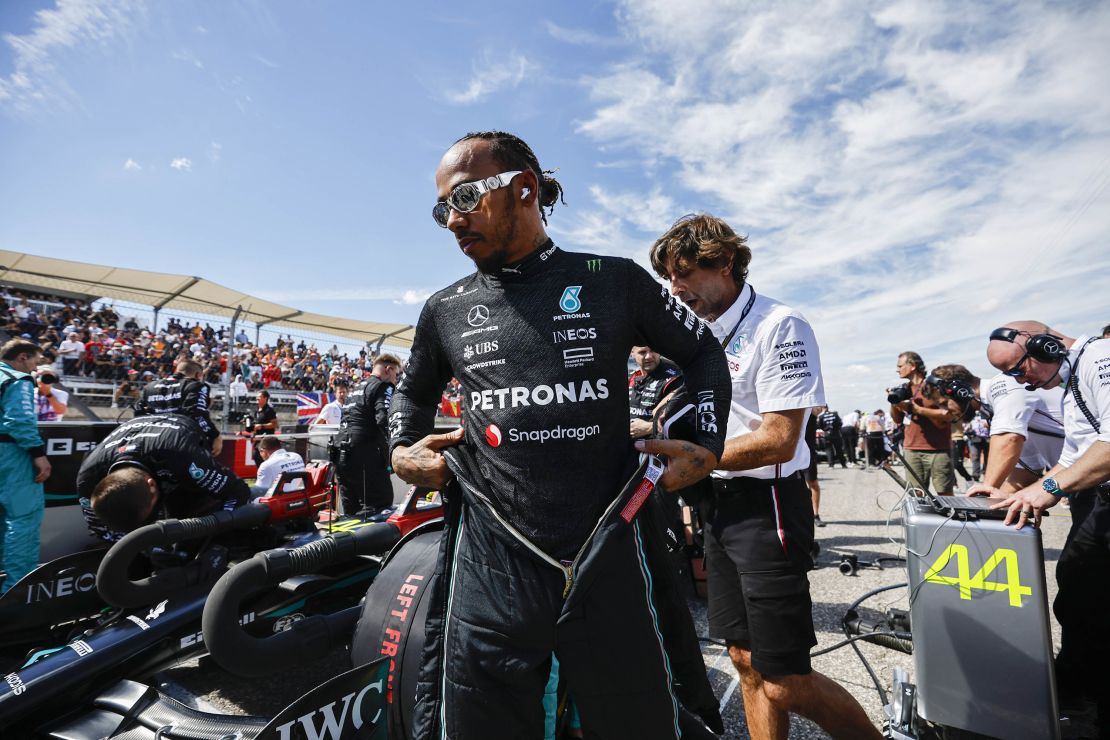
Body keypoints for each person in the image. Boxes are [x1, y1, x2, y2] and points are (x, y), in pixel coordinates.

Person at [389, 131, 729, 738]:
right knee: (481, 720)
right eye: (442, 208)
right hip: (494, 551)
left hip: (608, 543)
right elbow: (412, 394)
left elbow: (704, 352)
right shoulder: (444, 309)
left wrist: (706, 442)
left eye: (464, 197)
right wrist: (400, 452)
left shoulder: (612, 280)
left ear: (523, 189)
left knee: (636, 716)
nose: (451, 220)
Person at [645, 213, 880, 739]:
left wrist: (693, 455)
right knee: (743, 659)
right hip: (719, 505)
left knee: (786, 681)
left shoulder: (780, 325)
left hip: (769, 504)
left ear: (725, 262)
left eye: (683, 273)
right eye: (669, 277)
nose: (674, 288)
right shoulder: (698, 333)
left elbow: (779, 438)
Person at [969, 321, 1110, 728]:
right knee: (1077, 593)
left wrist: (1048, 488)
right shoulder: (1071, 381)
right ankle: (1076, 697)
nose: (1020, 382)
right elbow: (1073, 457)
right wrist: (1021, 493)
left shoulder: (1100, 358)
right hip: (1099, 503)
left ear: (1045, 345)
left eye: (1018, 369)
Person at [77, 414, 250, 541]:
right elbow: (98, 528)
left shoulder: (188, 462)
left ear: (152, 485)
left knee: (192, 509)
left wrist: (215, 527)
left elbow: (238, 491)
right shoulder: (87, 477)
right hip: (137, 434)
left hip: (176, 433)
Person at [0, 339, 52, 593]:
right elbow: (19, 420)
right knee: (23, 519)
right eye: (34, 360)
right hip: (11, 454)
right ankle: (17, 594)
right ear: (22, 357)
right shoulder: (16, 379)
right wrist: (37, 453)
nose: (35, 367)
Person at [334, 356, 400, 517]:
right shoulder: (384, 386)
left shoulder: (356, 388)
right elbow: (384, 419)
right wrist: (395, 449)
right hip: (364, 454)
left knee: (351, 512)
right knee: (380, 504)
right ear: (388, 369)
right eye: (396, 375)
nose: (396, 380)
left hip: (340, 452)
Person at [982, 373, 1064, 492]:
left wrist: (987, 489)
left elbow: (1010, 438)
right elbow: (1029, 467)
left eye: (945, 403)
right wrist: (995, 500)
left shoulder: (1004, 384)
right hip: (1074, 476)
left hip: (1087, 477)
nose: (944, 412)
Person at [890, 352, 958, 494]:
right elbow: (897, 420)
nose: (897, 369)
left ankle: (949, 517)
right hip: (911, 448)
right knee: (916, 494)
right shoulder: (904, 389)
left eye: (900, 366)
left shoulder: (933, 386)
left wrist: (916, 409)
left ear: (913, 366)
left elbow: (950, 415)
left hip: (938, 449)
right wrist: (894, 402)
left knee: (945, 493)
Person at [136, 358, 222, 455]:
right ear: (198, 375)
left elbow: (138, 411)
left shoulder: (150, 386)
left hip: (148, 438)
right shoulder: (197, 385)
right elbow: (196, 413)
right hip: (179, 439)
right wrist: (215, 435)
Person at [628, 345, 684, 439]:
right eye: (642, 352)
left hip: (660, 447)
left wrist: (649, 427)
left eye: (654, 350)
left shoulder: (675, 378)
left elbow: (687, 420)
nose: (649, 356)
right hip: (630, 448)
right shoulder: (630, 377)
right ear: (632, 353)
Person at [804, 409, 826, 527]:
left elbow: (819, 407)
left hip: (808, 453)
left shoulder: (810, 409)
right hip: (790, 453)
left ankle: (815, 514)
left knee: (813, 482)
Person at [248, 389, 278, 466]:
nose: (257, 398)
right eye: (257, 397)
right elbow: (256, 423)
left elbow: (275, 424)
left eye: (260, 397)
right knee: (256, 457)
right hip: (258, 439)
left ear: (265, 398)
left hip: (267, 440)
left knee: (260, 458)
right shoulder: (257, 410)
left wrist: (261, 426)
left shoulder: (269, 410)